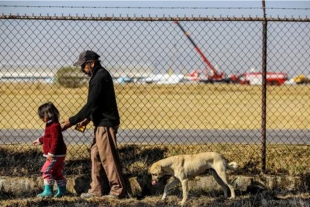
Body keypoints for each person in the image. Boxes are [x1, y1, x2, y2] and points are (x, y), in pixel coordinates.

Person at [61, 50, 127, 199]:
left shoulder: (99, 77)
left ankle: (117, 190)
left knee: (108, 157)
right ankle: (96, 189)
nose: (82, 69)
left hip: (105, 124)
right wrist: (88, 118)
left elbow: (91, 104)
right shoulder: (99, 76)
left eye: (83, 65)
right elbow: (98, 104)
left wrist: (71, 121)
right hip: (101, 122)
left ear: (91, 63)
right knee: (95, 154)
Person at [32, 102, 67, 198]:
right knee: (56, 172)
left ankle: (48, 191)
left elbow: (56, 140)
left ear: (48, 115)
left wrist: (51, 153)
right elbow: (48, 137)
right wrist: (40, 140)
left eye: (42, 116)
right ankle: (62, 190)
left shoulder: (54, 126)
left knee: (46, 171)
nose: (42, 119)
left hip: (55, 155)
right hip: (58, 154)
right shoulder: (50, 125)